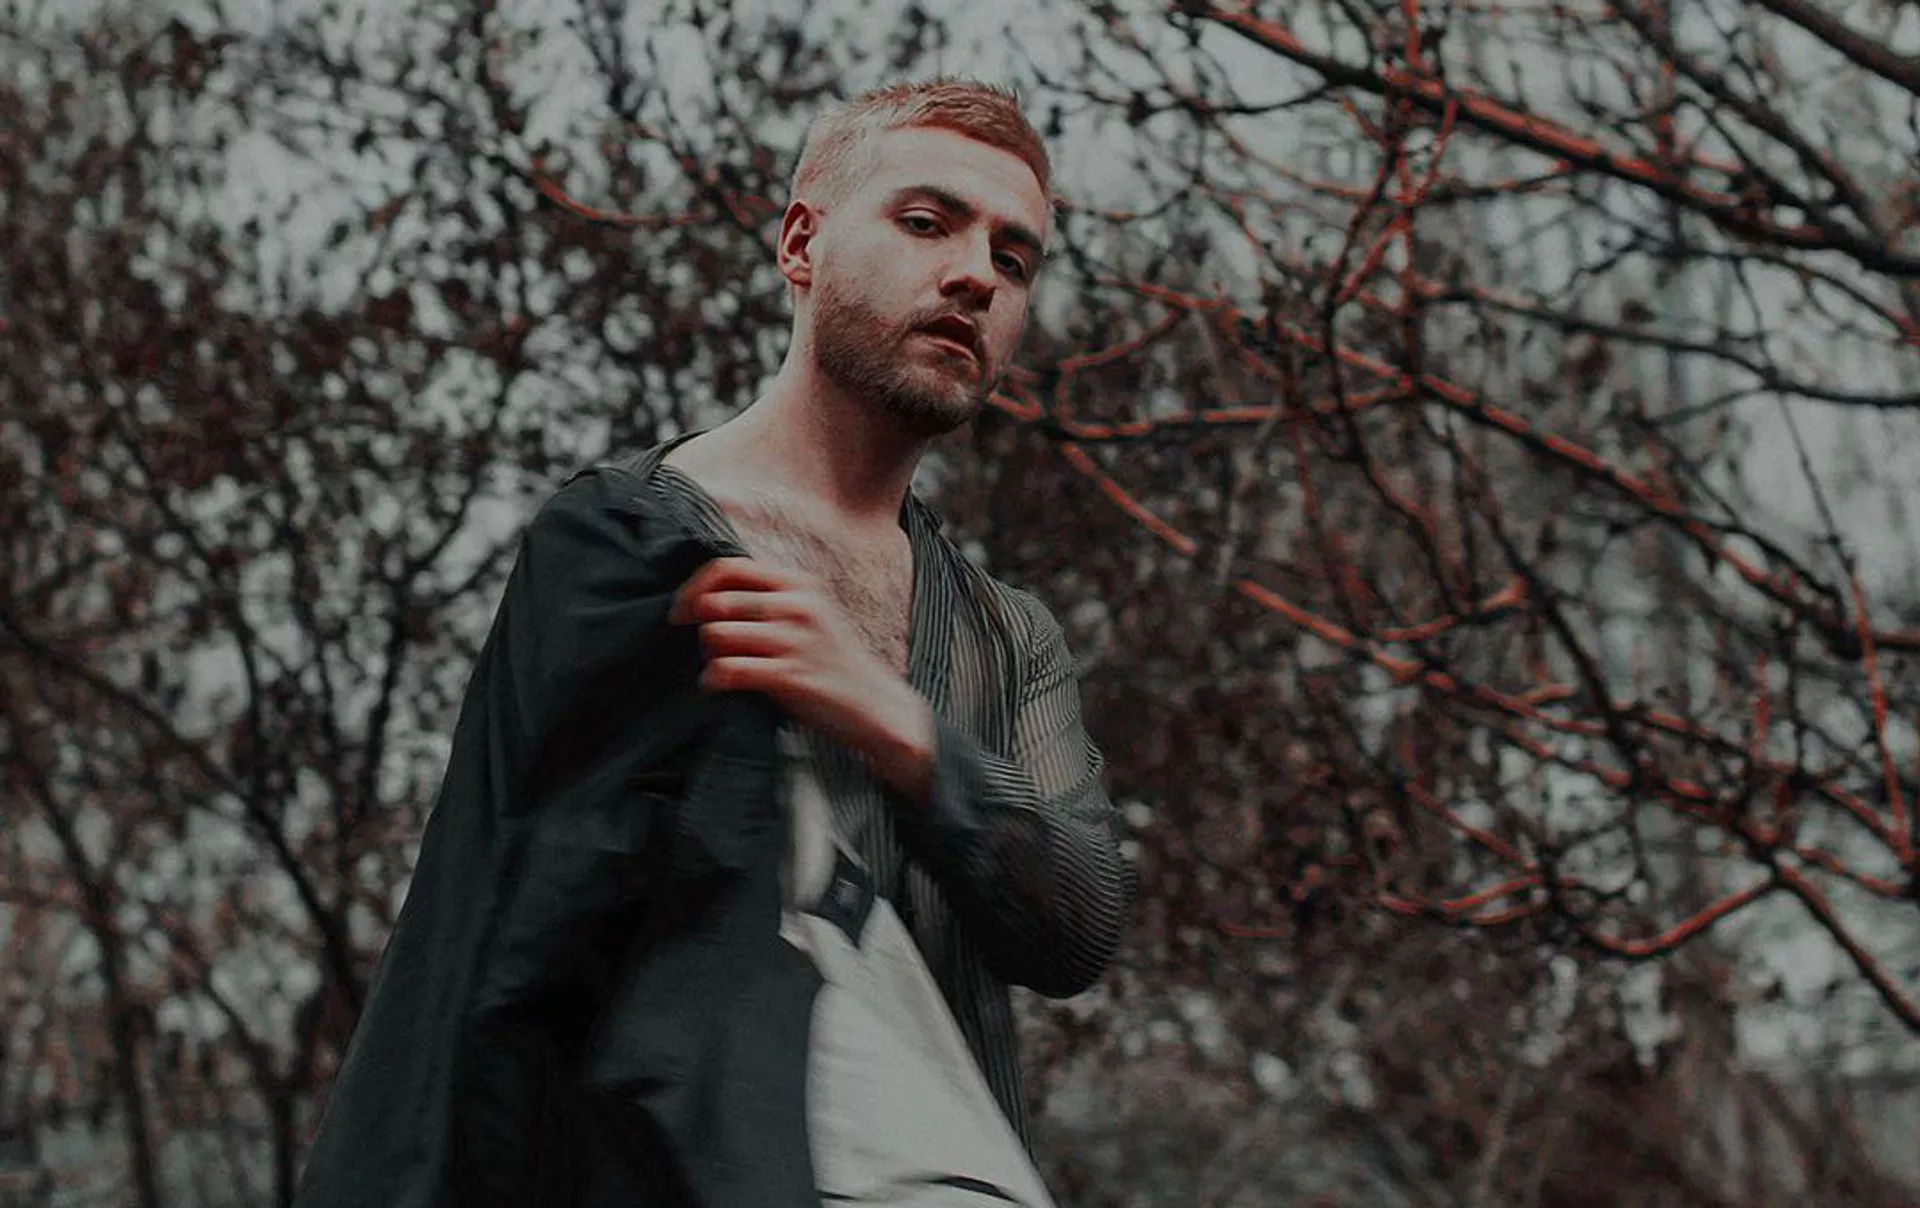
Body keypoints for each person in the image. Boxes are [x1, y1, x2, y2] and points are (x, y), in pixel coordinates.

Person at [293, 78, 1135, 1208]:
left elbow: (1077, 926)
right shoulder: (631, 545)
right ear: (801, 243)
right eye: (926, 221)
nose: (976, 274)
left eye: (1014, 258)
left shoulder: (1008, 633)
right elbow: (519, 948)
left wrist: (894, 724)